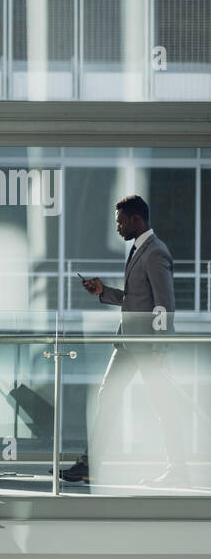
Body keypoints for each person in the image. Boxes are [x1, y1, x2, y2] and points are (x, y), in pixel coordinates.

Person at [61, 194, 187, 487]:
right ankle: (89, 465)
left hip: (146, 347)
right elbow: (137, 299)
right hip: (128, 344)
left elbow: (164, 304)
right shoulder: (139, 249)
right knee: (108, 398)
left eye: (120, 222)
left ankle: (178, 469)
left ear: (135, 220)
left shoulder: (156, 252)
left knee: (163, 406)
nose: (117, 228)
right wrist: (103, 291)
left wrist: (158, 347)